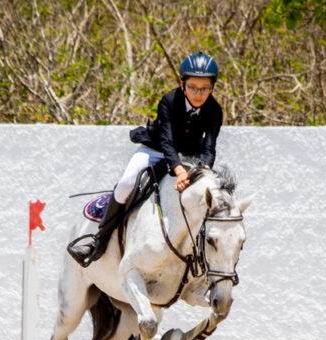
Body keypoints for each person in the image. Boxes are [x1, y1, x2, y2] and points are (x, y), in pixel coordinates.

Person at [68, 51, 223, 268]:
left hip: (190, 157)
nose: (198, 93)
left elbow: (209, 147)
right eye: (193, 87)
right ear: (182, 84)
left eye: (205, 88)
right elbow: (167, 142)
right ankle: (98, 240)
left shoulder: (215, 110)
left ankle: (202, 259)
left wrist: (202, 172)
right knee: (126, 184)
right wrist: (179, 171)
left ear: (212, 88)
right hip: (156, 150)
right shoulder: (169, 101)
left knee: (209, 195)